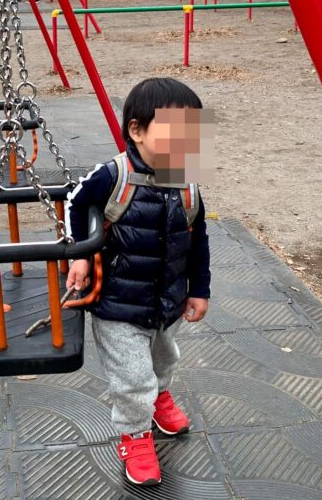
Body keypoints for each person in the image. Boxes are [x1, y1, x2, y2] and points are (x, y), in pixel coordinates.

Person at [65, 78, 212, 487]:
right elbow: (76, 203)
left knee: (164, 359)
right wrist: (80, 252)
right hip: (117, 302)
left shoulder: (187, 181)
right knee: (131, 378)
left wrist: (199, 289)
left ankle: (159, 396)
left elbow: (198, 238)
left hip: (167, 301)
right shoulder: (115, 176)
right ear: (137, 130)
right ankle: (134, 434)